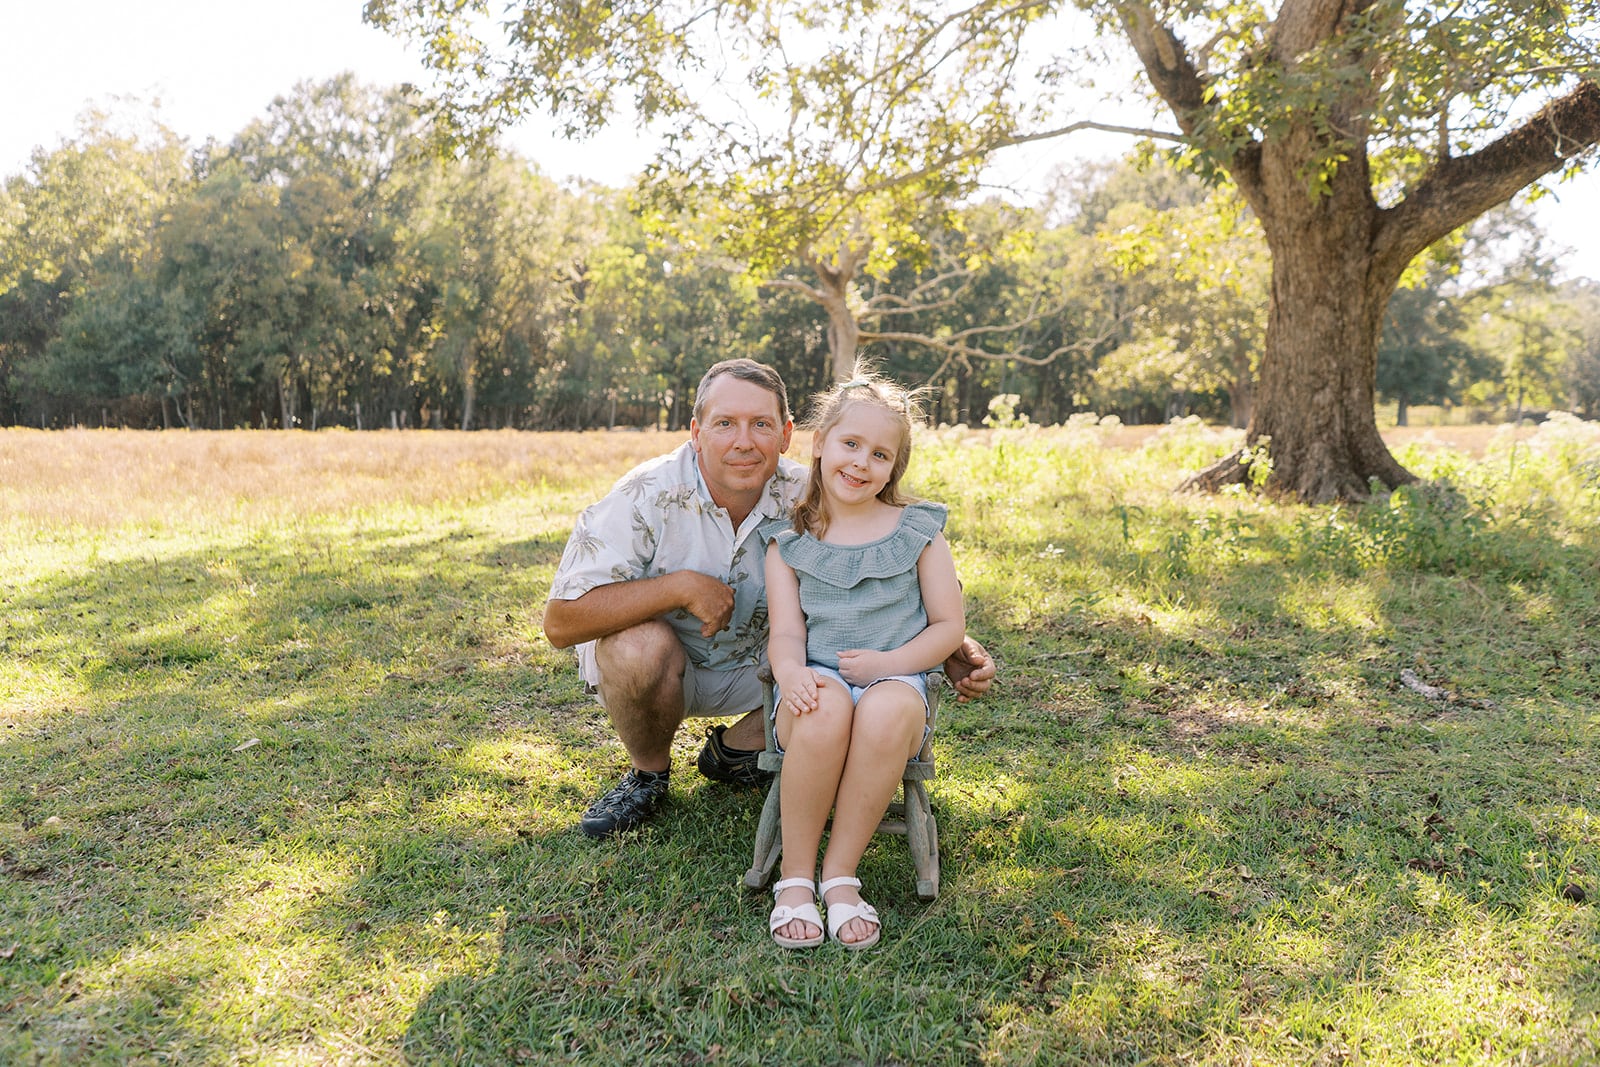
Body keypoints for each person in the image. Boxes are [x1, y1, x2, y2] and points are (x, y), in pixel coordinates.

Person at [543, 358, 995, 839]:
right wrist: (679, 586)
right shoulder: (644, 494)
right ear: (696, 431)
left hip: (772, 669)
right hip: (667, 670)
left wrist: (950, 646)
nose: (744, 441)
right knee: (637, 646)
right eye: (725, 424)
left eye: (761, 424)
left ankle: (736, 753)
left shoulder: (816, 492)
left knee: (836, 687)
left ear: (787, 435)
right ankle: (648, 775)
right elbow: (561, 623)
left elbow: (899, 561)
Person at [761, 369, 961, 950]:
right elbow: (787, 633)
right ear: (820, 444)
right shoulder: (789, 542)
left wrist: (888, 664)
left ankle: (840, 876)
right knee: (823, 712)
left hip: (894, 676)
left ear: (893, 468)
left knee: (887, 711)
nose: (861, 463)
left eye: (880, 454)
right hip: (815, 680)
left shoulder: (917, 531)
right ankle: (795, 878)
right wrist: (792, 673)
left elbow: (949, 626)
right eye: (850, 444)